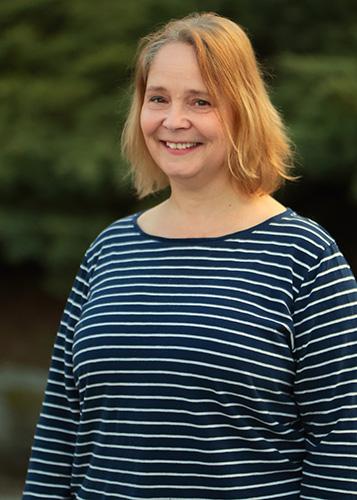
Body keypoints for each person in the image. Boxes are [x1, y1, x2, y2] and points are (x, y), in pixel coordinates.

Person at [23, 12, 357, 500]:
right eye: (157, 98)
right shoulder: (110, 249)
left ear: (242, 110)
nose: (172, 120)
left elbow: (343, 444)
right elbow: (59, 428)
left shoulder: (304, 256)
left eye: (200, 101)